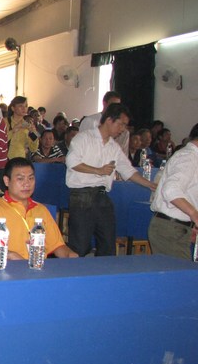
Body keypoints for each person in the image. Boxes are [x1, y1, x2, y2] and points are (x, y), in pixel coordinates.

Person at [65, 103, 156, 257]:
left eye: (125, 125)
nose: (123, 129)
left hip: (102, 196)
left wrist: (151, 185)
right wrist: (98, 170)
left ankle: (104, 271)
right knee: (80, 246)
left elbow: (128, 170)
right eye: (121, 124)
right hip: (81, 195)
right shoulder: (84, 138)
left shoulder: (113, 146)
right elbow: (72, 162)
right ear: (109, 120)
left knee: (108, 245)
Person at [149, 120, 198, 259]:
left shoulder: (192, 158)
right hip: (171, 229)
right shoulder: (188, 158)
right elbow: (170, 190)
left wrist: (189, 223)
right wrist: (195, 214)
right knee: (178, 272)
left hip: (176, 227)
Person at [0, 158, 77, 261]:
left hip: (38, 266)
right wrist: (9, 255)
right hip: (8, 266)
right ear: (7, 181)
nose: (27, 184)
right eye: (20, 179)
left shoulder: (41, 210)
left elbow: (58, 246)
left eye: (31, 178)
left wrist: (72, 256)